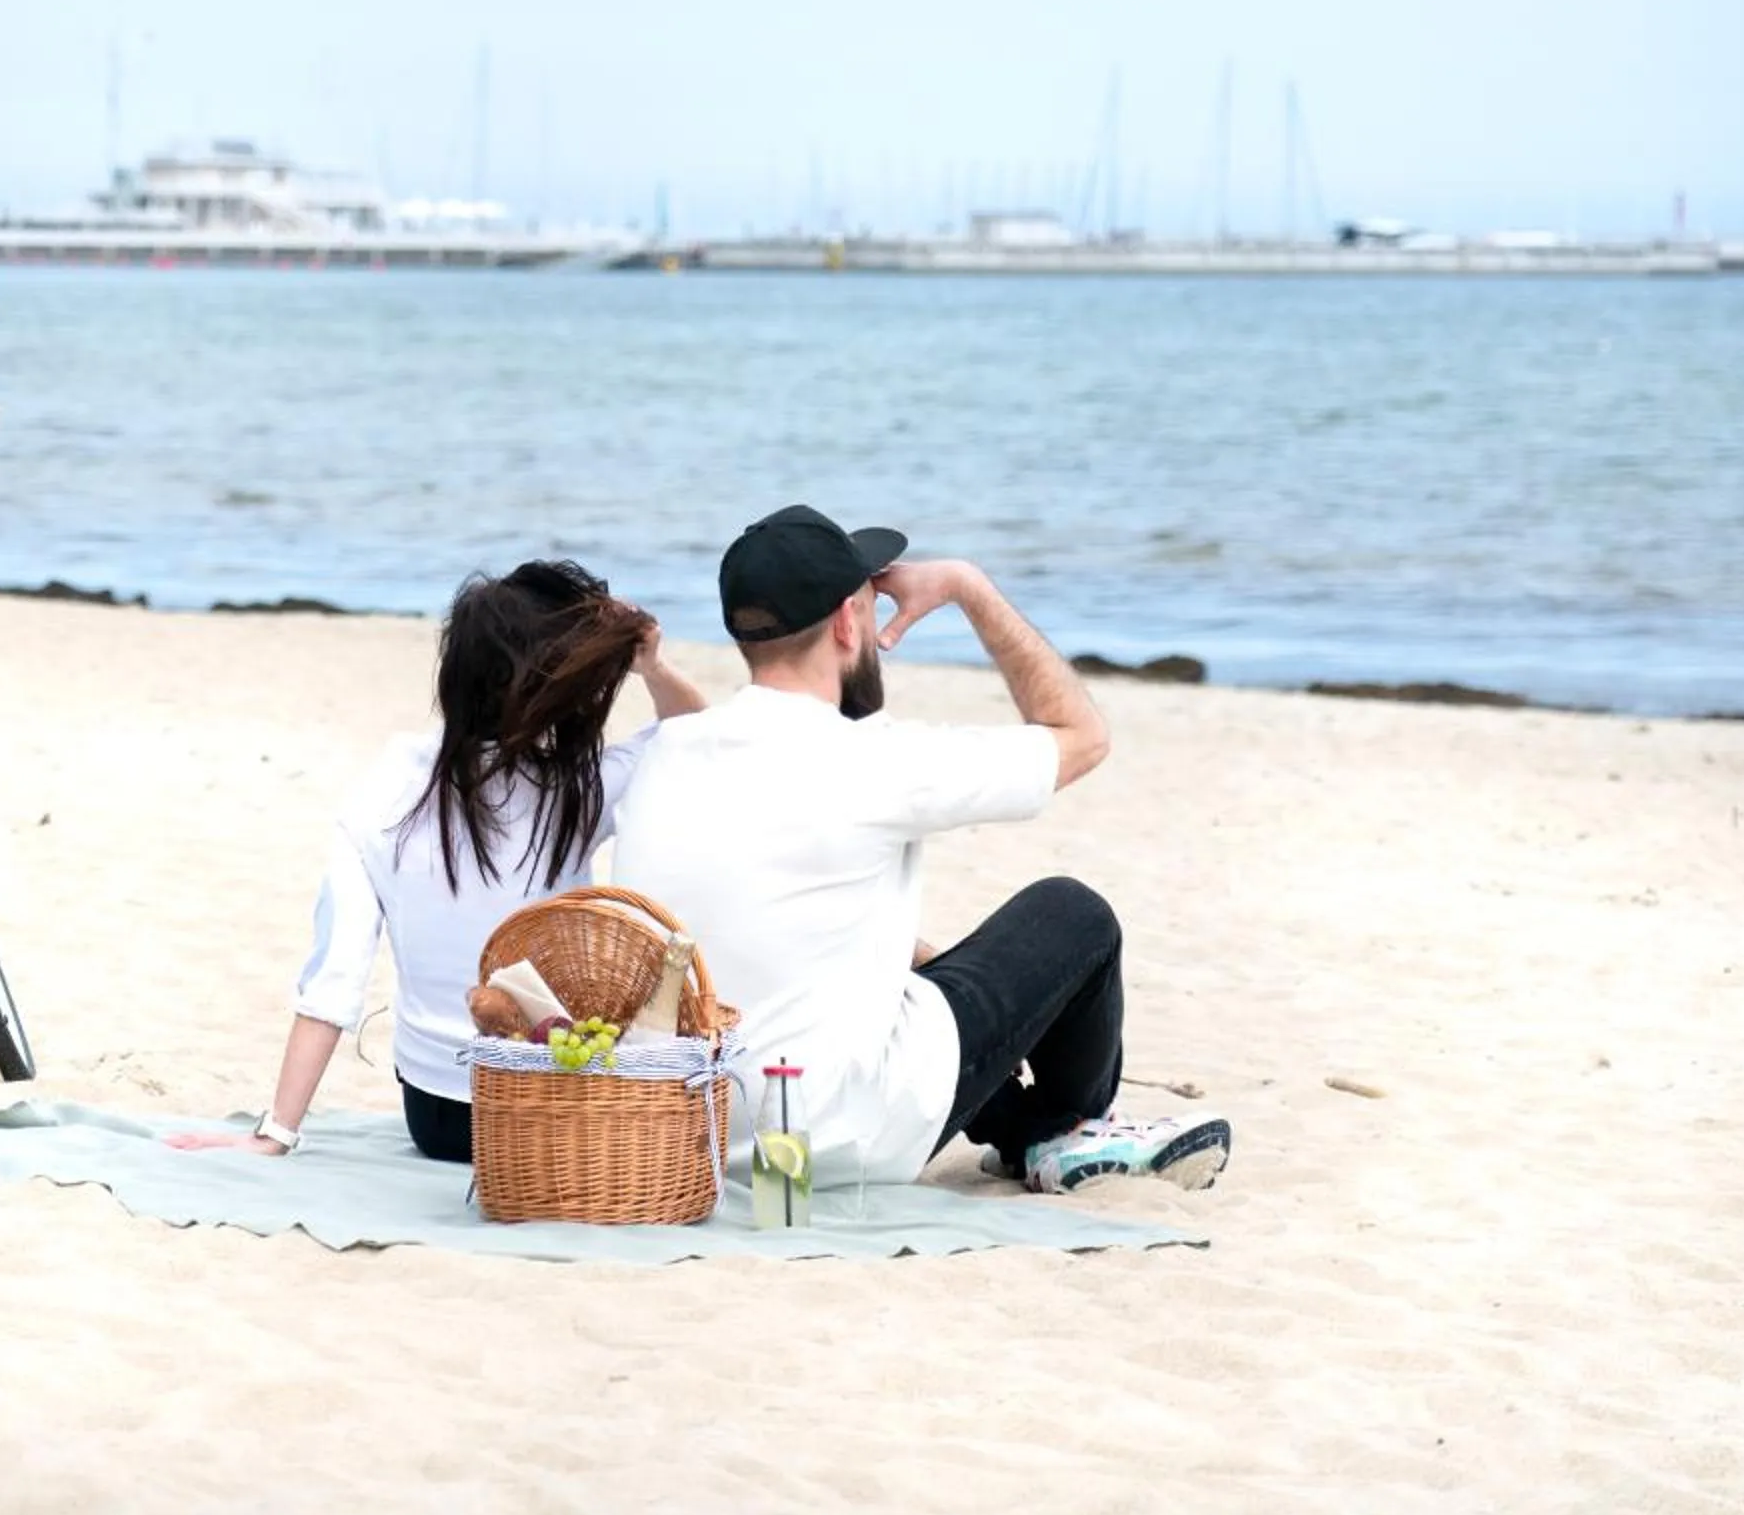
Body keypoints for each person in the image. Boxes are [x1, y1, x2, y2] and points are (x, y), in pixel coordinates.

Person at [612, 504, 1230, 1195]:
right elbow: (1082, 735)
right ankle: (1067, 1129)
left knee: (918, 981)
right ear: (849, 622)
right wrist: (970, 588)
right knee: (1071, 914)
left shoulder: (668, 751)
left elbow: (776, 911)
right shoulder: (875, 759)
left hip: (685, 1126)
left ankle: (1023, 1131)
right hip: (829, 1142)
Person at [169, 559, 706, 1162]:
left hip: (438, 1118)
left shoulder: (392, 784)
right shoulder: (577, 790)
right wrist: (652, 666)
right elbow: (690, 733)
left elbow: (334, 977)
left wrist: (276, 1132)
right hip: (548, 1107)